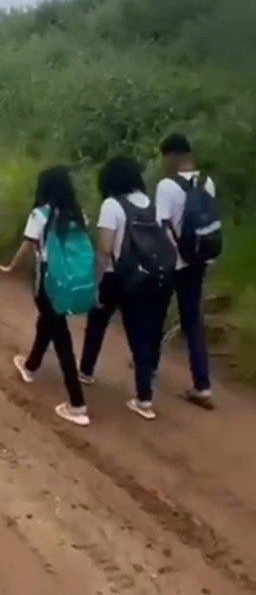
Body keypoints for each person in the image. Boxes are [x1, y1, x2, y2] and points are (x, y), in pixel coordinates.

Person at [79, 155, 177, 420]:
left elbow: (104, 249)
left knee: (97, 322)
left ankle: (86, 371)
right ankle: (144, 399)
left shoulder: (112, 205)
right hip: (144, 277)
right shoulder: (151, 204)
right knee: (141, 337)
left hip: (115, 276)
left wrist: (95, 282)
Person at [0, 167, 93, 426]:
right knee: (48, 324)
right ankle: (30, 366)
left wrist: (10, 268)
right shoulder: (78, 215)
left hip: (47, 283)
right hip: (70, 282)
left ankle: (77, 404)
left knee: (60, 337)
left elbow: (27, 246)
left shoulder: (40, 215)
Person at [155, 134, 220, 410]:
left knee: (156, 309)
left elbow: (163, 226)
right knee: (193, 321)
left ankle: (147, 363)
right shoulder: (207, 182)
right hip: (200, 261)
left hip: (175, 261)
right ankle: (202, 386)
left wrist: (175, 256)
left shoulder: (166, 186)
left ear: (171, 156)